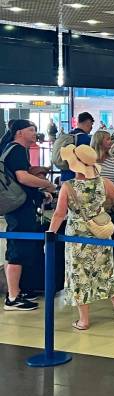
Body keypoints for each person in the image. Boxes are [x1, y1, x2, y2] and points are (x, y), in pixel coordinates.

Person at [48, 144, 114, 329]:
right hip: (101, 233)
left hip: (77, 238)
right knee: (107, 272)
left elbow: (59, 214)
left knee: (79, 276)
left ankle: (84, 320)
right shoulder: (104, 183)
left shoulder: (68, 187)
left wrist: (50, 234)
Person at [3, 120, 57, 311]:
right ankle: (12, 297)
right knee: (17, 250)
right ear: (19, 132)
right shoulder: (16, 149)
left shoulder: (12, 149)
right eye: (31, 130)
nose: (35, 133)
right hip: (18, 209)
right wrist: (47, 185)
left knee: (21, 248)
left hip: (18, 206)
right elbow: (22, 178)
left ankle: (20, 290)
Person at [55, 112, 95, 182]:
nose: (91, 128)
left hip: (64, 177)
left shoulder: (68, 136)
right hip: (78, 179)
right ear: (88, 123)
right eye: (91, 125)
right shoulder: (86, 139)